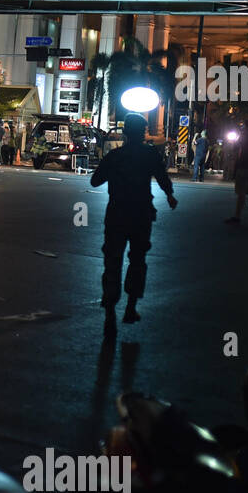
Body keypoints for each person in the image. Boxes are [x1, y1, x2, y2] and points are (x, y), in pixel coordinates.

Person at [91, 112, 176, 333]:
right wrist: (169, 195)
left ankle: (110, 310)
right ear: (143, 133)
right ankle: (130, 307)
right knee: (138, 260)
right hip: (141, 214)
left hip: (117, 213)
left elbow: (95, 180)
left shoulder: (116, 156)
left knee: (113, 259)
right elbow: (163, 178)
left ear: (126, 132)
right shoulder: (150, 155)